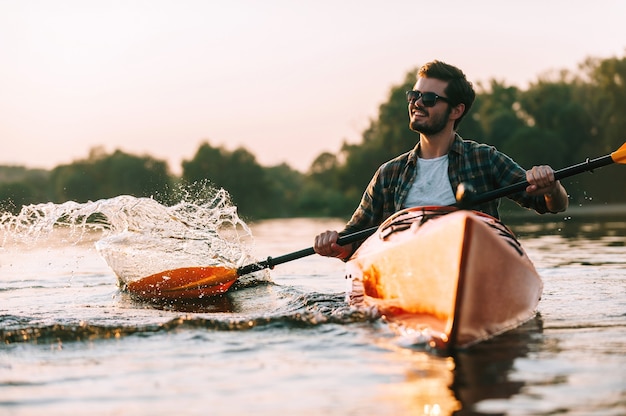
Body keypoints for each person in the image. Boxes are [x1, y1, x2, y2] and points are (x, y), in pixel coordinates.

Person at [314, 60, 568, 260]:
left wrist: (552, 188)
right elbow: (352, 242)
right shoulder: (388, 174)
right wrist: (334, 245)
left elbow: (552, 205)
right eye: (414, 95)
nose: (416, 103)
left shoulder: (484, 159)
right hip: (407, 273)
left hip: (476, 265)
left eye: (429, 99)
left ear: (456, 110)